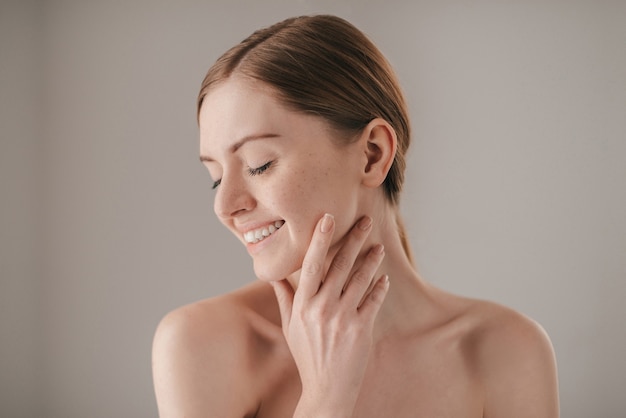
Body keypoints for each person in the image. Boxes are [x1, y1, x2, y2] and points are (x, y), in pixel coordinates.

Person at [152, 14, 559, 417]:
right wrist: (325, 398)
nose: (225, 206)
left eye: (259, 165)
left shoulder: (505, 352)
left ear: (372, 154)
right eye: (215, 178)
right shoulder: (203, 345)